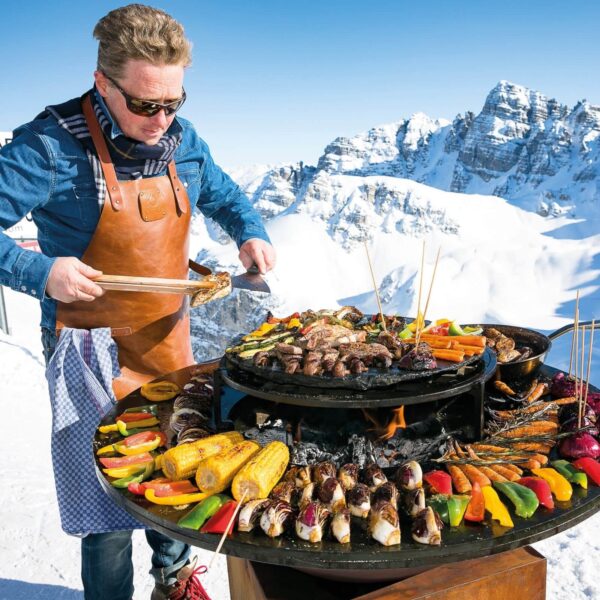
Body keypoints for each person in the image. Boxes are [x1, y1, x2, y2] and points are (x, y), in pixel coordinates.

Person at [0, 4, 275, 599]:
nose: (161, 120)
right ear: (104, 83)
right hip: (87, 345)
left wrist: (250, 230)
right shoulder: (47, 147)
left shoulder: (182, 140)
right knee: (109, 496)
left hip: (168, 334)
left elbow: (225, 194)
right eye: (146, 105)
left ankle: (174, 582)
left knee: (179, 465)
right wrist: (39, 270)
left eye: (174, 103)